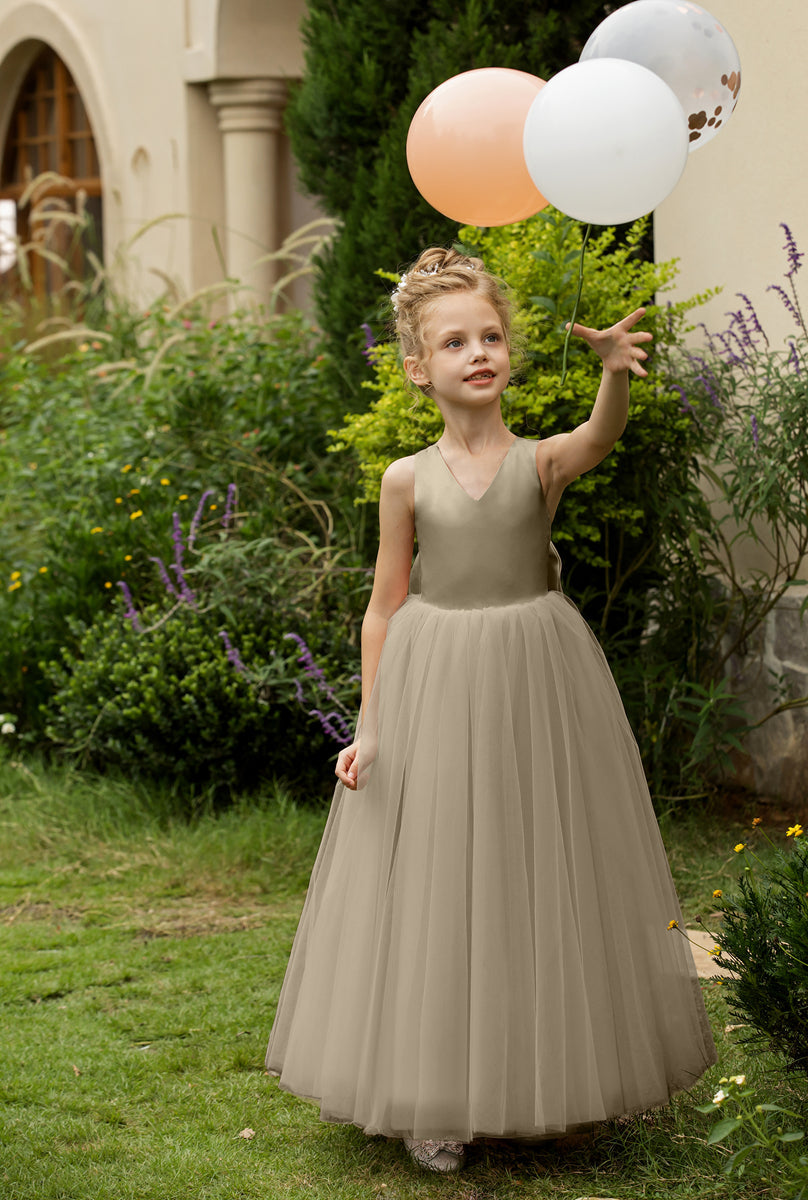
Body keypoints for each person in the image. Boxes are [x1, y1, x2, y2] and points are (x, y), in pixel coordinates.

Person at [266, 247, 717, 1174]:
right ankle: (436, 1093)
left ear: (509, 352)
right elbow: (384, 604)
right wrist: (372, 725)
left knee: (536, 868)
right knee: (439, 878)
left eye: (492, 336)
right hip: (433, 678)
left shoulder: (538, 462)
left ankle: (553, 1081)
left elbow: (599, 439)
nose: (479, 352)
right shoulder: (406, 479)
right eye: (455, 341)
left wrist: (610, 377)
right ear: (416, 367)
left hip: (535, 675)